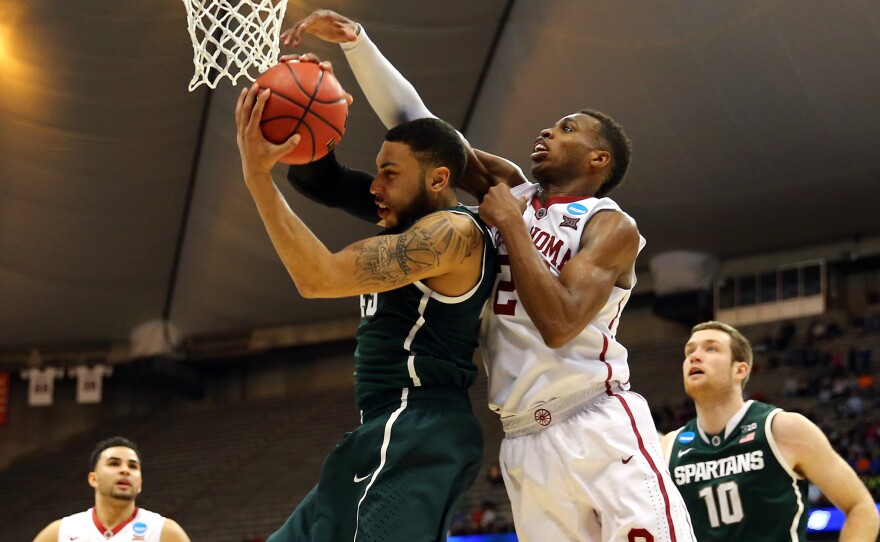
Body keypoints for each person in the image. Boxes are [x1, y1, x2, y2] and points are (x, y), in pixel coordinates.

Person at [281, 10, 695, 542]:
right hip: (523, 438)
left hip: (597, 419)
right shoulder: (512, 190)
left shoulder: (610, 225)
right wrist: (357, 44)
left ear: (598, 158)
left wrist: (510, 227)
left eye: (567, 128)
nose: (548, 129)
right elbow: (424, 128)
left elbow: (561, 322)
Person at [235, 84, 497, 541]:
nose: (375, 186)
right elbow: (323, 182)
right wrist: (317, 121)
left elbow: (318, 278)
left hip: (416, 423)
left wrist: (257, 178)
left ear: (437, 180)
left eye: (390, 173)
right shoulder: (408, 214)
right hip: (387, 426)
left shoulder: (450, 234)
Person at [661, 321, 879, 542]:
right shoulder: (669, 448)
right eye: (690, 351)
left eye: (711, 348)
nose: (695, 356)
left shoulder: (783, 429)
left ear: (740, 369)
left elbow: (861, 508)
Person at [32, 436, 190, 542]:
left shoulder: (164, 532)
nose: (125, 470)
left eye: (133, 466)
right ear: (93, 479)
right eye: (114, 463)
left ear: (140, 483)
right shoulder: (61, 532)